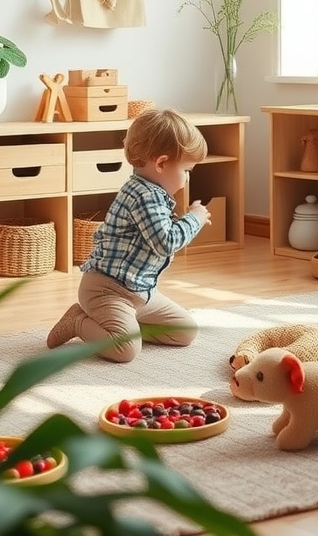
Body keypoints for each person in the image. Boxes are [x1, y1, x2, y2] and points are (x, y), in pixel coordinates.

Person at [46, 108, 211, 362]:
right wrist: (195, 218)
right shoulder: (144, 196)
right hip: (107, 291)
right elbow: (166, 242)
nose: (187, 178)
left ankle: (122, 328)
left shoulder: (153, 192)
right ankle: (78, 321)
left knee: (185, 331)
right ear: (162, 163)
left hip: (141, 292)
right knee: (125, 351)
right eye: (186, 170)